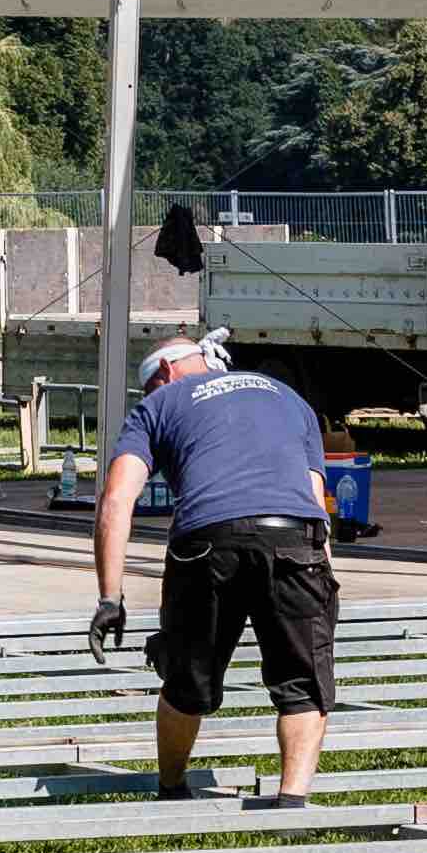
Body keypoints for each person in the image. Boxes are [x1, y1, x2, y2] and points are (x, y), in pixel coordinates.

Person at [89, 333, 340, 805]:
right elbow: (312, 498)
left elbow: (117, 499)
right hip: (293, 538)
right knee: (303, 682)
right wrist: (322, 578)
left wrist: (110, 597)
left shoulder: (157, 407)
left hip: (205, 545)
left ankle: (171, 790)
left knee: (187, 682)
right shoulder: (287, 396)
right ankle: (290, 806)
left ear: (163, 374)